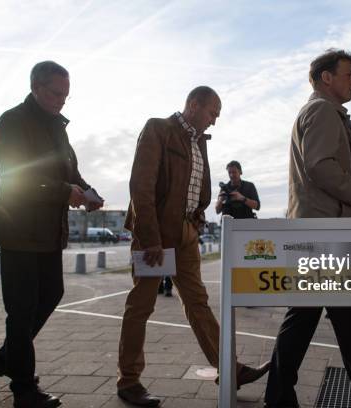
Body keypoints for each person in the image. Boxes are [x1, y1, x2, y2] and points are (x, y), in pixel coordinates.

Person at [264, 49, 351, 408]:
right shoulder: (323, 111)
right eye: (348, 74)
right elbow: (320, 167)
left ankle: (278, 397)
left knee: (319, 320)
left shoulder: (321, 111)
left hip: (320, 233)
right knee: (347, 322)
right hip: (328, 235)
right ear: (327, 78)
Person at [118, 86, 269, 407]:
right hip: (156, 236)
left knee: (198, 302)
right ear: (194, 104)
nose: (214, 121)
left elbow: (199, 192)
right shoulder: (158, 129)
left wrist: (196, 221)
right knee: (142, 305)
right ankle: (128, 381)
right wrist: (150, 239)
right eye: (212, 113)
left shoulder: (200, 142)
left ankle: (229, 369)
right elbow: (140, 188)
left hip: (185, 235)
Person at [0, 61, 103, 408]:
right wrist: (64, 192)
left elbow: (72, 172)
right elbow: (15, 177)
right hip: (19, 229)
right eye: (56, 93)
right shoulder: (12, 122)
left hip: (50, 232)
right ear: (36, 86)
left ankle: (8, 356)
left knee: (52, 293)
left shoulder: (58, 128)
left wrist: (88, 191)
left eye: (66, 95)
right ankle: (24, 389)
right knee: (21, 311)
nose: (62, 101)